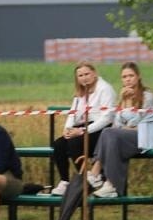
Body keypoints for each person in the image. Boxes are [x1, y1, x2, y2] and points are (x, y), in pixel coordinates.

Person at [85, 62, 153, 198]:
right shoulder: (123, 97)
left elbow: (137, 121)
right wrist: (124, 101)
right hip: (127, 137)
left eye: (131, 75)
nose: (128, 79)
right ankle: (109, 184)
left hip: (145, 136)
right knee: (109, 134)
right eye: (124, 77)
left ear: (138, 77)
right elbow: (117, 124)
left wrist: (126, 123)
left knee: (110, 134)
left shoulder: (147, 96)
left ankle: (97, 175)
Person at [50, 61, 117, 196]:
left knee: (74, 142)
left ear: (94, 73)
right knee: (59, 144)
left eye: (87, 74)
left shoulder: (105, 89)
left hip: (102, 129)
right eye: (80, 75)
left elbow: (107, 118)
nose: (84, 78)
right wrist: (67, 129)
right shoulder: (80, 92)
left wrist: (82, 131)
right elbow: (73, 112)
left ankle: (88, 178)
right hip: (83, 127)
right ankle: (65, 181)